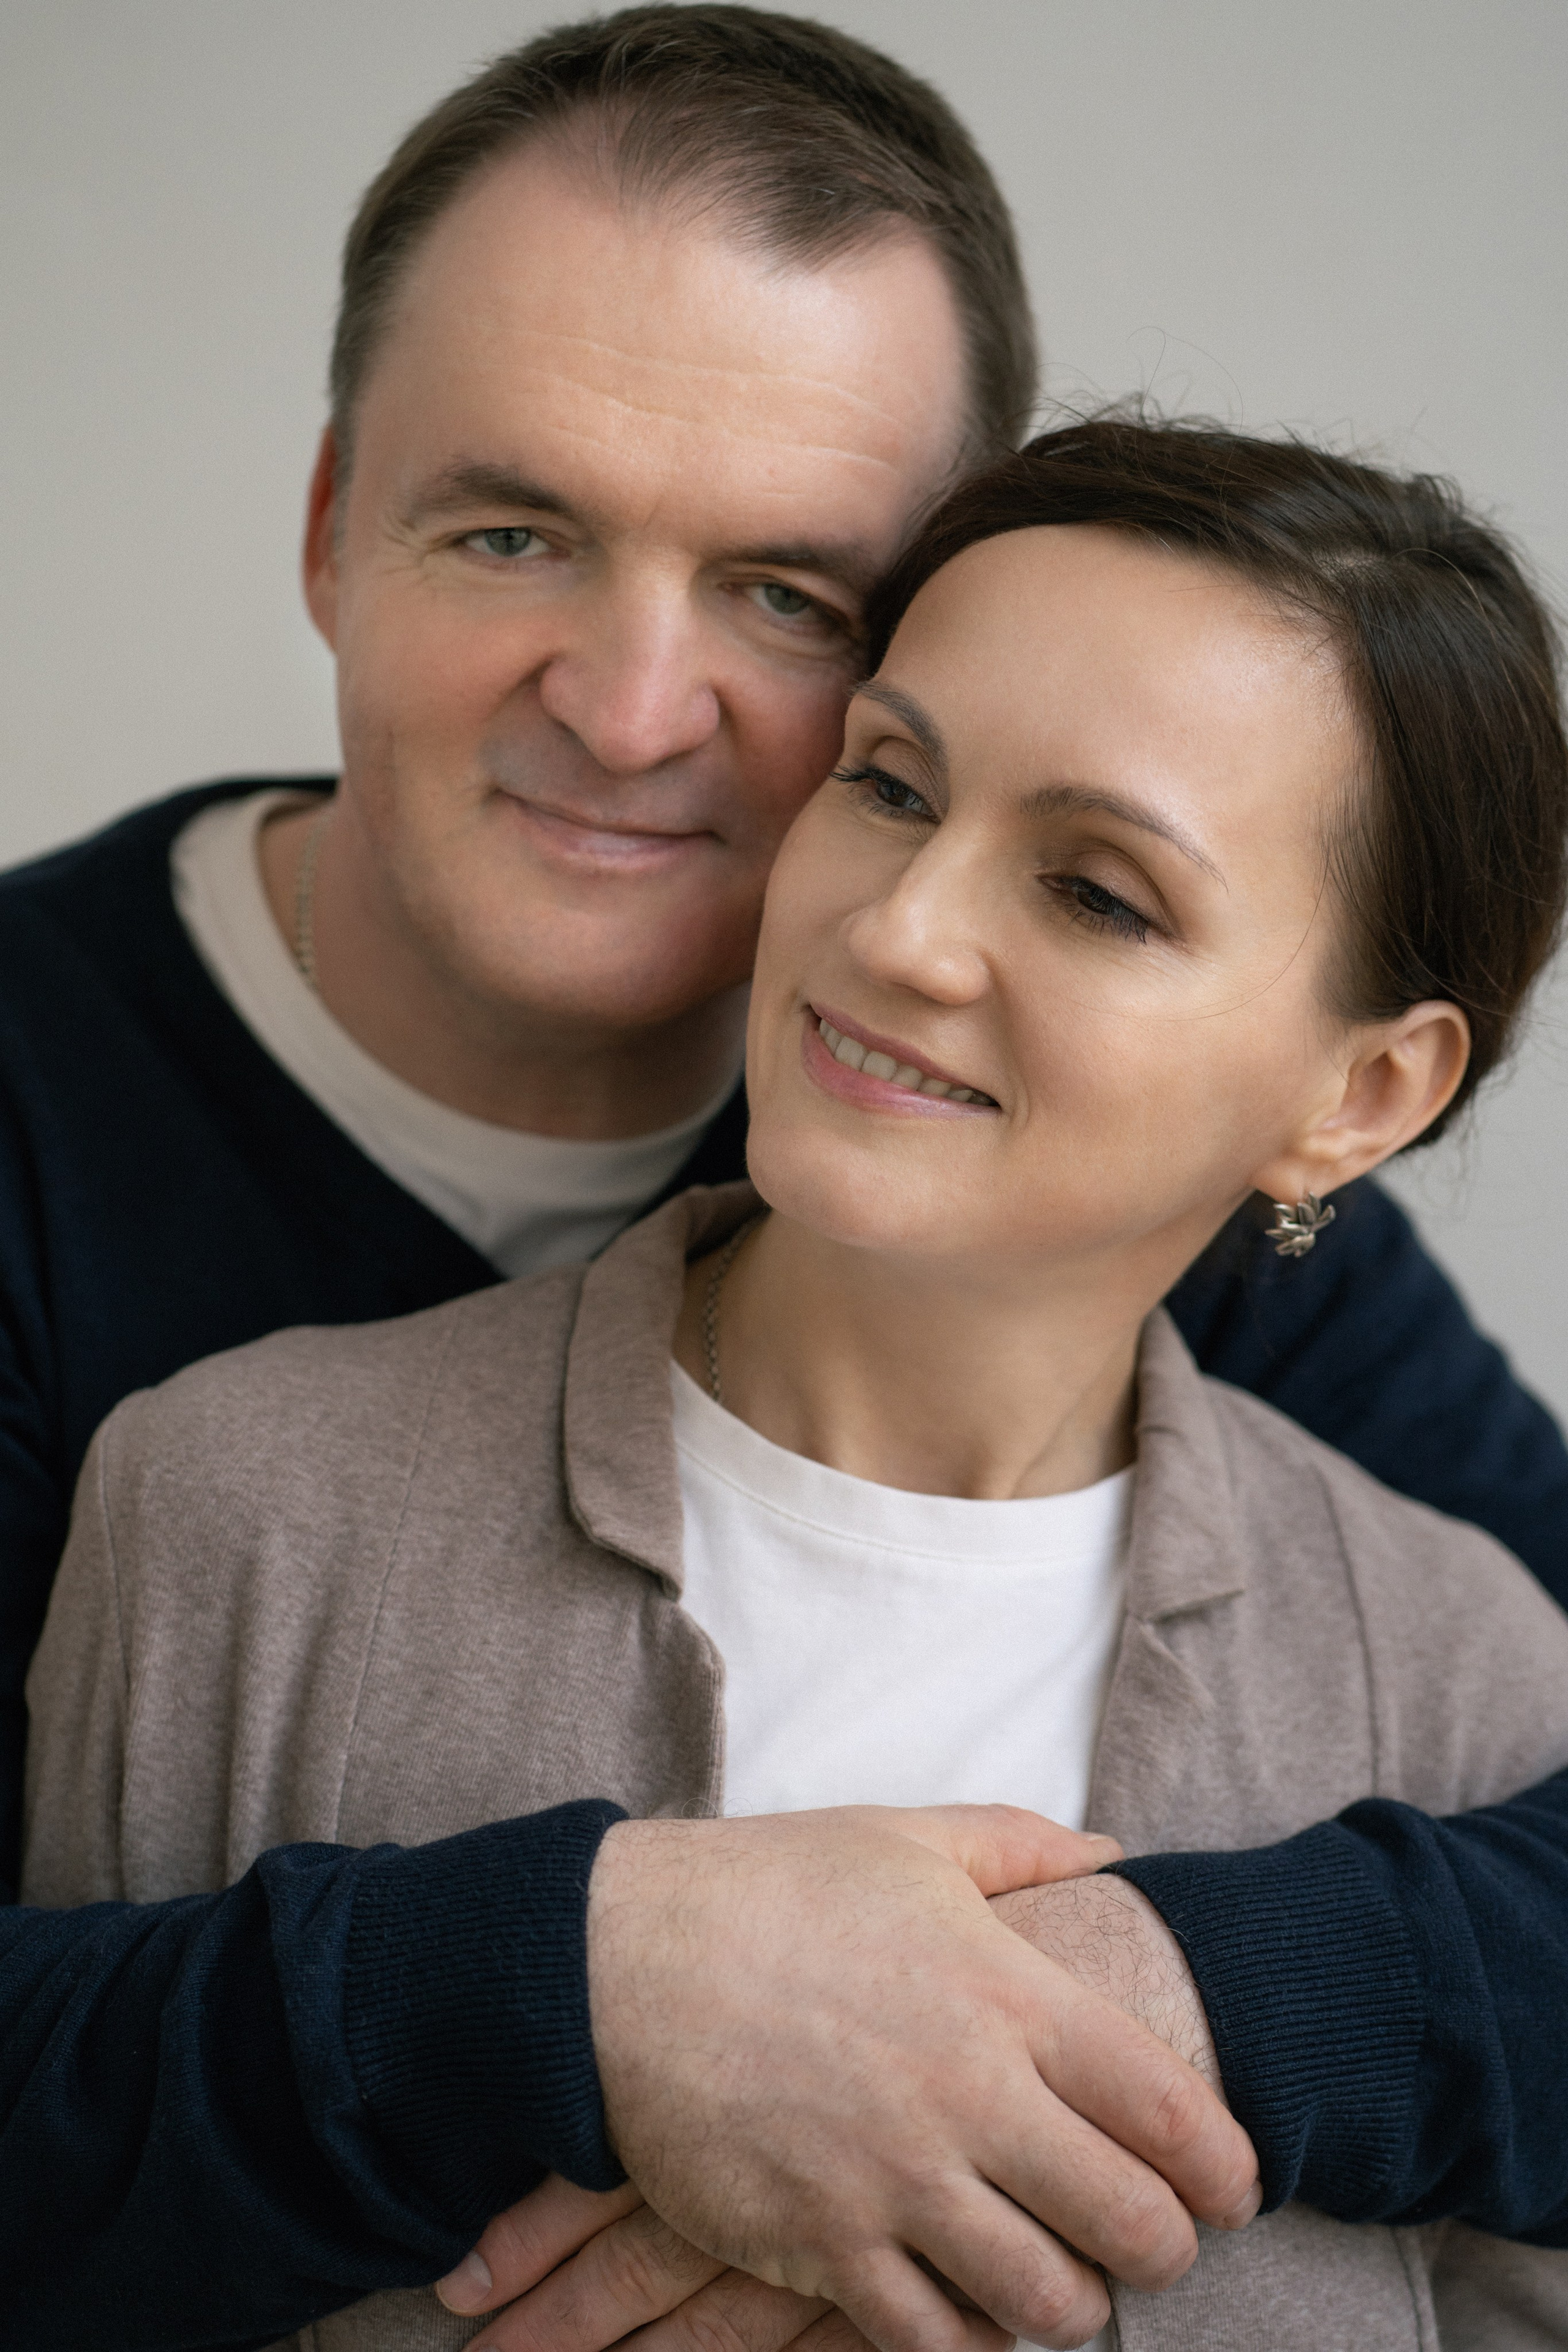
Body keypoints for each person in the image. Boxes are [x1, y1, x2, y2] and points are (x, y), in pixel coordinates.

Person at [1, 8, 1566, 2347]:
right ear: (332, 529)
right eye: (512, 531)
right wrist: (588, 1990)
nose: (634, 711)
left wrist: (1108, 2006)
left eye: (786, 597)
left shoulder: (1159, 1223)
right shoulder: (193, 1438)